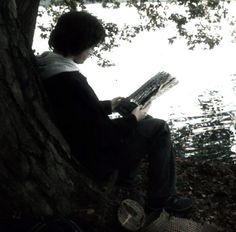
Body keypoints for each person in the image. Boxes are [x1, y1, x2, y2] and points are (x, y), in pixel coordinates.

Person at [36, 10, 192, 213]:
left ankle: (129, 180)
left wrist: (108, 105)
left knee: (148, 121)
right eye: (91, 47)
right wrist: (133, 119)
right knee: (159, 127)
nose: (91, 51)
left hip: (81, 144)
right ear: (79, 44)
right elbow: (102, 134)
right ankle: (161, 201)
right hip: (95, 157)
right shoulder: (69, 79)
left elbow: (77, 112)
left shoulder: (48, 65)